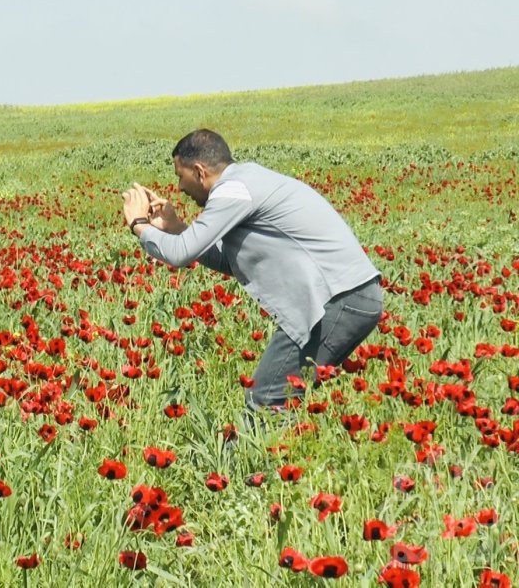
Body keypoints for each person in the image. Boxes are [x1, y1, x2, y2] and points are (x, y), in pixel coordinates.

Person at [122, 129, 382, 411]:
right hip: (350, 296)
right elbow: (228, 261)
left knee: (267, 397)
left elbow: (179, 254)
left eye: (180, 176)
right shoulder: (247, 180)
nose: (180, 188)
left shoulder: (233, 191)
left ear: (198, 171)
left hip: (338, 301)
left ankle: (270, 442)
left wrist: (139, 224)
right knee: (281, 396)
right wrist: (175, 229)